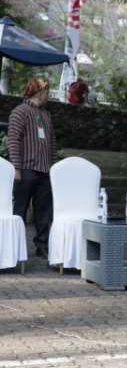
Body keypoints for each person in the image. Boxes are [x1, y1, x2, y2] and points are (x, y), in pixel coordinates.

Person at [8, 77, 57, 259]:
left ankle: (41, 246)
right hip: (26, 170)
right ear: (39, 93)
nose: (48, 96)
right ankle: (14, 246)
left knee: (43, 210)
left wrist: (53, 169)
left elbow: (52, 144)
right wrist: (16, 168)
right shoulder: (19, 112)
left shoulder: (46, 115)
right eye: (47, 92)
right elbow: (13, 141)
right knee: (19, 210)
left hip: (44, 171)